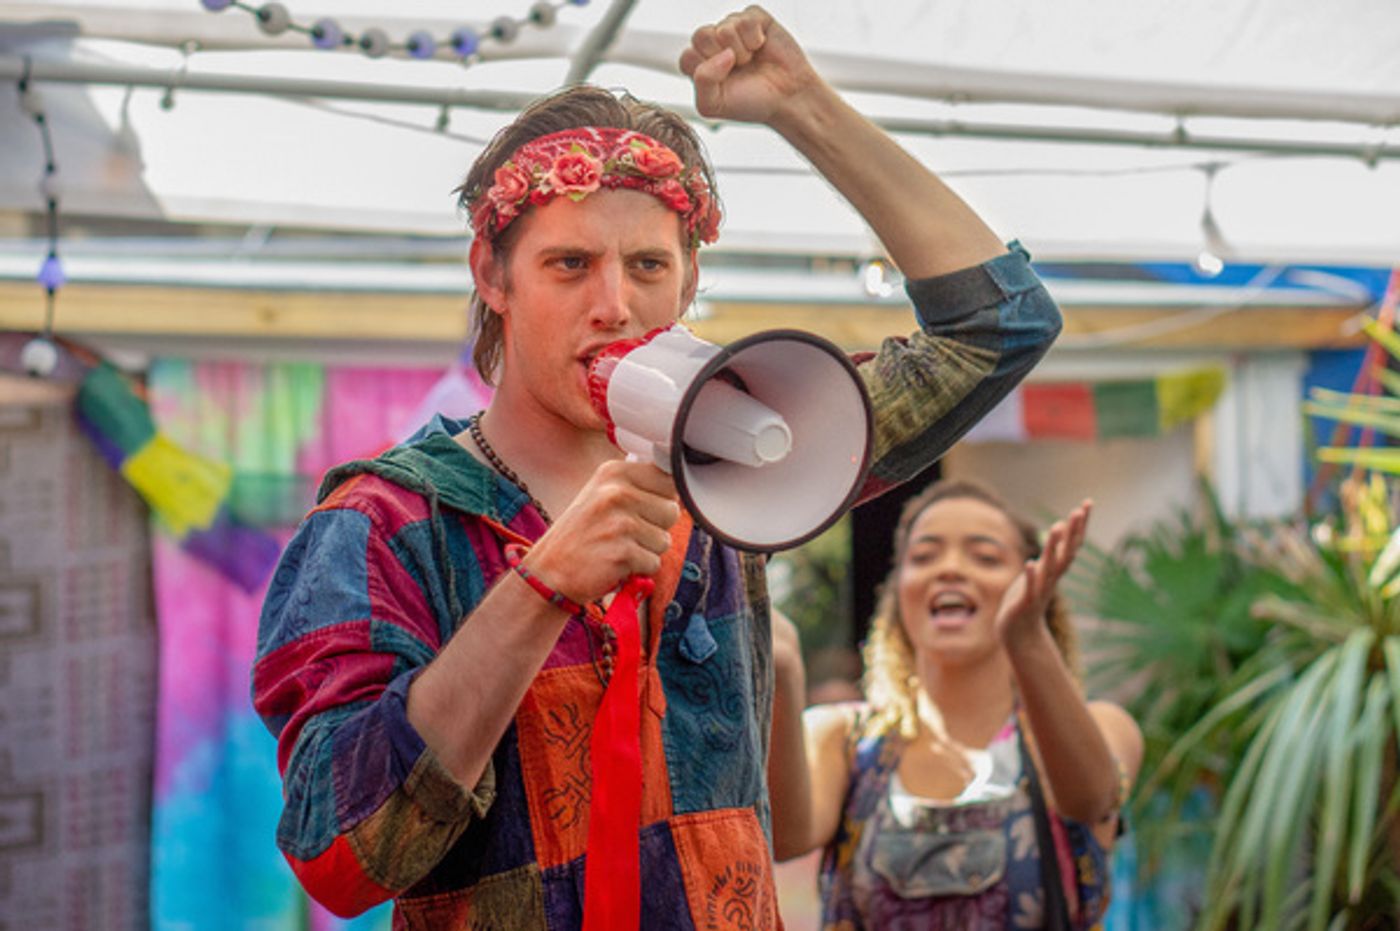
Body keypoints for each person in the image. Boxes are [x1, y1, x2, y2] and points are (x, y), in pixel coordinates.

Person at [251, 7, 1065, 928]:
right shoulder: (383, 524)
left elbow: (998, 327)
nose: (615, 304)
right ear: (493, 274)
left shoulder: (732, 461)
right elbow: (344, 856)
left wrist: (801, 107)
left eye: (647, 265)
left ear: (686, 285)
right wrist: (539, 587)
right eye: (568, 264)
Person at [777, 479, 1144, 929]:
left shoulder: (1103, 726)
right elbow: (785, 839)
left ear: (1032, 583)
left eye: (985, 557)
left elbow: (1093, 799)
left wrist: (1026, 638)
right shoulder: (842, 740)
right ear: (898, 592)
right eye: (924, 556)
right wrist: (783, 669)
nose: (949, 569)